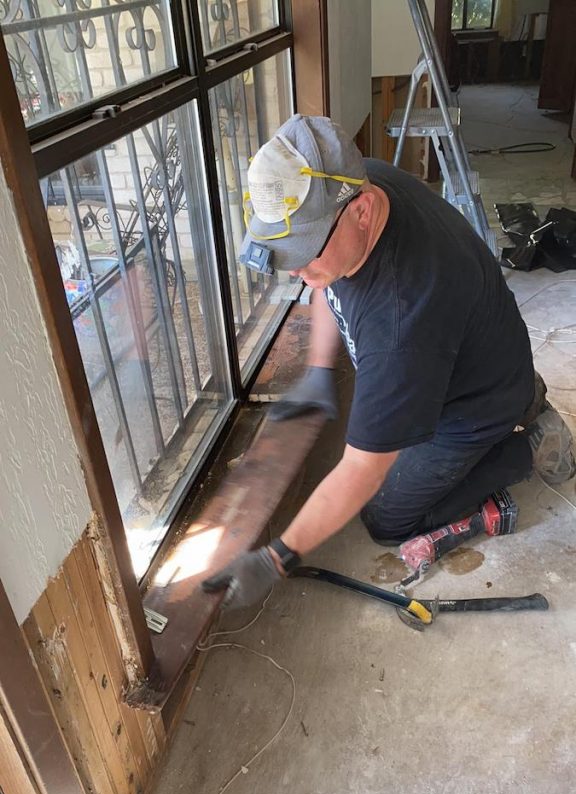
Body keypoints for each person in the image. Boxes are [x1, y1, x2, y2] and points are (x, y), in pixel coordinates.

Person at [203, 114, 575, 609]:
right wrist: (318, 372)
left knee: (387, 519)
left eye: (306, 250)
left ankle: (530, 442)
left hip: (471, 407)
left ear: (360, 211)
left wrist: (276, 558)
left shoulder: (401, 319)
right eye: (287, 251)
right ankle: (522, 393)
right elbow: (324, 283)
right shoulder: (359, 182)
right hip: (479, 351)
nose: (297, 269)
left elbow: (362, 469)